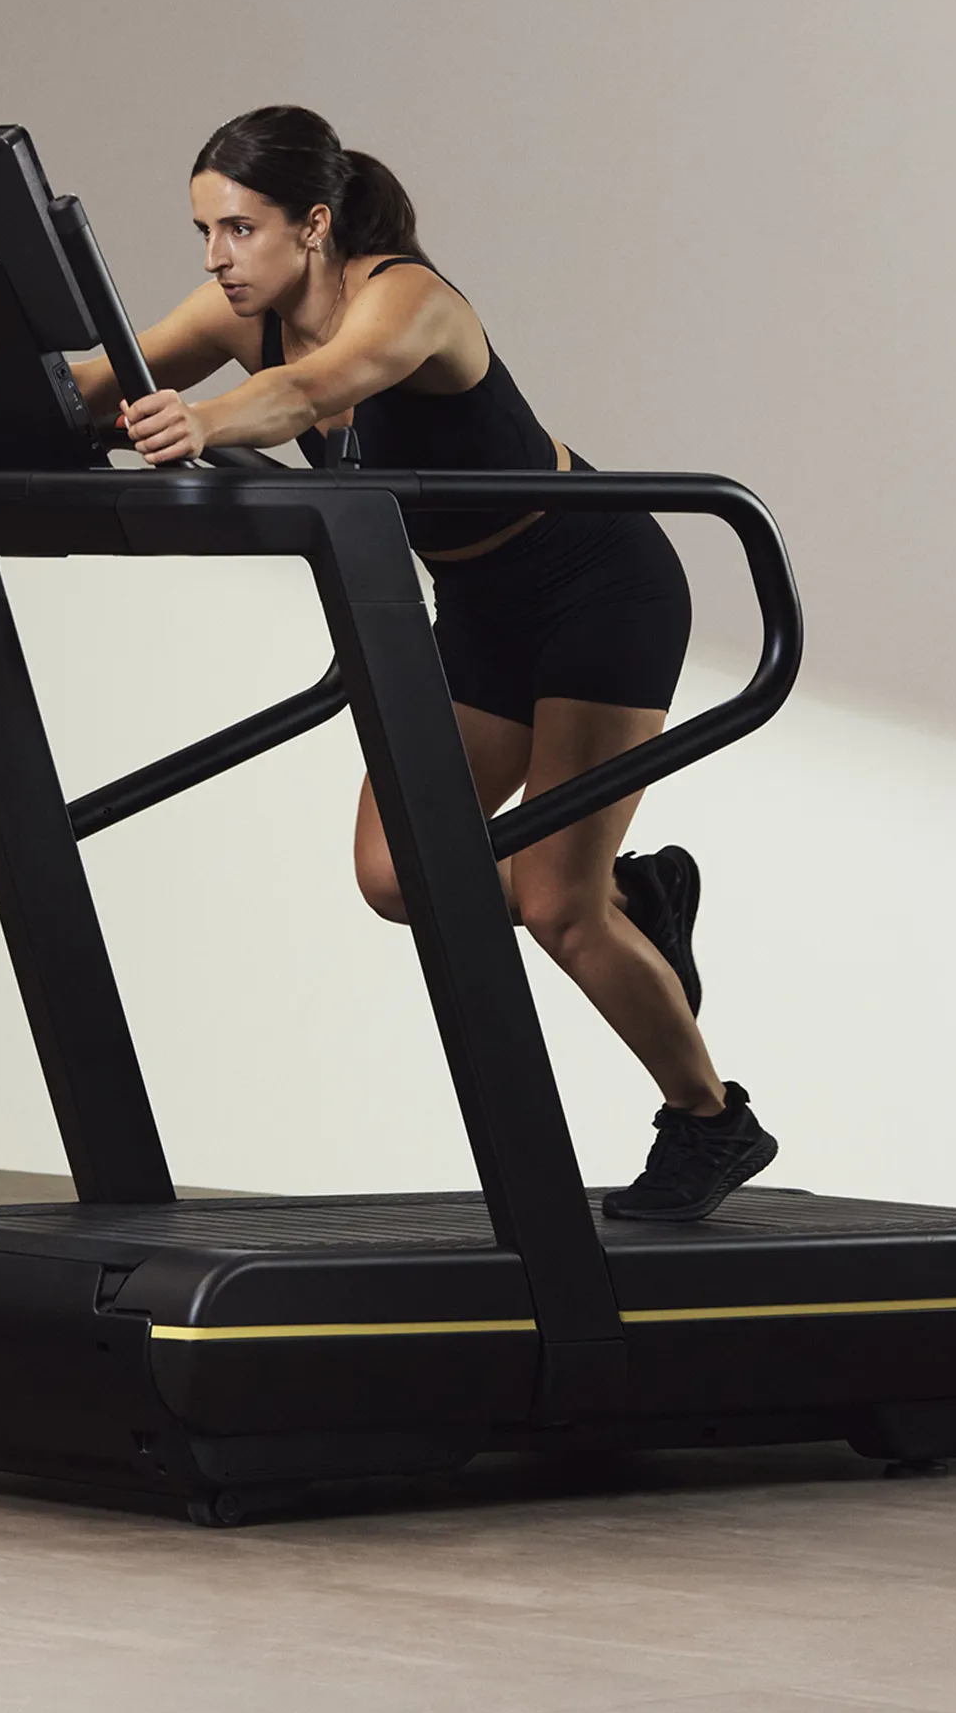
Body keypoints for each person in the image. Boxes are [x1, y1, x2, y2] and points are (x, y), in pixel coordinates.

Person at [69, 106, 776, 1221]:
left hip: (599, 586)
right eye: (203, 231)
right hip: (482, 604)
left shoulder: (408, 300)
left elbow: (317, 390)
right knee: (398, 875)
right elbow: (101, 375)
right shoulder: (236, 310)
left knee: (555, 903)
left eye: (239, 231)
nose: (215, 258)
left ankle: (709, 1118)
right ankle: (637, 896)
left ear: (312, 225)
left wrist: (201, 424)